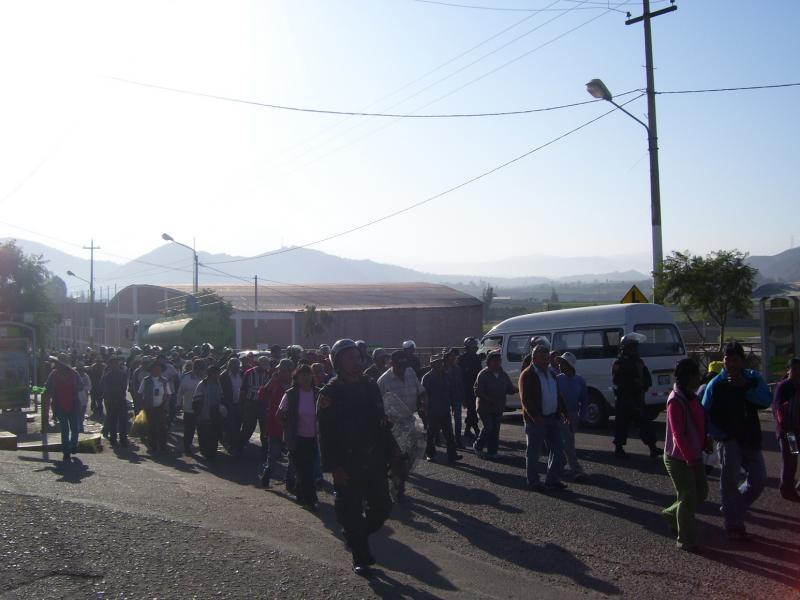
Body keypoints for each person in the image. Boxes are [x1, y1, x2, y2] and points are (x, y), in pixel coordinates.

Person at [318, 339, 393, 576]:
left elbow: (382, 422)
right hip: (347, 462)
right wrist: (334, 466)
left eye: (358, 357)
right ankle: (360, 554)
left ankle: (356, 535)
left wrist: (394, 452)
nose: (356, 362)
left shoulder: (370, 386)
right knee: (349, 511)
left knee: (382, 508)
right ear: (338, 362)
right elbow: (325, 434)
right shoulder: (330, 393)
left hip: (373, 459)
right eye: (350, 358)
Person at [702, 341, 771, 541]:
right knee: (729, 480)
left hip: (750, 438)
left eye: (734, 359)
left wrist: (745, 388)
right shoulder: (716, 383)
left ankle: (733, 507)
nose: (730, 363)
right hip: (728, 439)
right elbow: (705, 412)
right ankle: (734, 524)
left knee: (758, 479)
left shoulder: (753, 378)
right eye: (727, 359)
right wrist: (714, 435)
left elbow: (765, 401)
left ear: (742, 360)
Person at [662, 358, 708, 552]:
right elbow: (677, 434)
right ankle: (686, 540)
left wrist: (705, 441)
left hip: (694, 453)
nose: (700, 377)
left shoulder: (692, 396)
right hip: (678, 457)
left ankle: (672, 514)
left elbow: (699, 422)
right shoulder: (675, 400)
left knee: (701, 493)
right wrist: (689, 458)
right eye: (697, 374)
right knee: (688, 496)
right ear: (689, 377)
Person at [377, 350, 426, 502]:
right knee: (398, 457)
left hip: (410, 421)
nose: (402, 369)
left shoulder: (410, 372)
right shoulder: (383, 381)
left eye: (404, 366)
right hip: (393, 425)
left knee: (410, 456)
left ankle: (394, 475)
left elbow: (421, 391)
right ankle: (398, 489)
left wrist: (424, 402)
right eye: (399, 366)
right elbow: (377, 404)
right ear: (391, 364)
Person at [519, 344, 569, 491]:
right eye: (542, 358)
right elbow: (525, 399)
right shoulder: (527, 375)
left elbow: (557, 394)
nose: (546, 361)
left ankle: (552, 479)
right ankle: (533, 481)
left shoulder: (552, 373)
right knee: (533, 453)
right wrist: (535, 416)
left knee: (558, 451)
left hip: (553, 418)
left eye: (547, 358)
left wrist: (564, 412)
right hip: (536, 421)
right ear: (534, 359)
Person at [612, 333, 662, 459]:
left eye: (635, 347)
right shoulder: (619, 363)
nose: (635, 350)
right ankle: (618, 449)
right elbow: (616, 381)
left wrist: (642, 384)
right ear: (626, 348)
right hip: (624, 399)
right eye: (632, 347)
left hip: (637, 399)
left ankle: (653, 448)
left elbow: (647, 379)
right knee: (621, 425)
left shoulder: (639, 362)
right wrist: (631, 384)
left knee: (645, 424)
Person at [278, 364, 320, 510]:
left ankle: (301, 493)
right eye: (303, 375)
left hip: (314, 438)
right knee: (303, 469)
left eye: (308, 375)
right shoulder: (291, 394)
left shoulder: (318, 393)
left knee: (309, 468)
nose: (306, 378)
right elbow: (280, 414)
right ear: (296, 378)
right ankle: (311, 498)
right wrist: (289, 428)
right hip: (297, 439)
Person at [473, 350, 516, 459]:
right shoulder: (483, 374)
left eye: (499, 360)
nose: (497, 362)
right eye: (494, 360)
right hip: (484, 407)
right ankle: (478, 446)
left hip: (498, 407)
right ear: (489, 361)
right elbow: (477, 391)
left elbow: (510, 388)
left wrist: (517, 389)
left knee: (495, 430)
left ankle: (492, 452)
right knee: (488, 427)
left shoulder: (503, 374)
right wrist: (488, 399)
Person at [259, 359, 294, 487]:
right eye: (279, 370)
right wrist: (271, 381)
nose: (279, 373)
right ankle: (267, 476)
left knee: (293, 456)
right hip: (275, 426)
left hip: (290, 427)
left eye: (283, 371)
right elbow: (262, 395)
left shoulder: (295, 385)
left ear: (290, 372)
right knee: (273, 454)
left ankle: (290, 482)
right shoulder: (275, 384)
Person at [421, 354, 462, 463]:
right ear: (431, 365)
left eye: (440, 362)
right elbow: (424, 395)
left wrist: (453, 405)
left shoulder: (446, 375)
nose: (439, 364)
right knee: (431, 434)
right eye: (436, 363)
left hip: (445, 410)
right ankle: (430, 454)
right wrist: (425, 409)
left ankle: (452, 455)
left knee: (449, 434)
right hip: (432, 411)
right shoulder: (427, 378)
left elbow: (450, 392)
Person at [43, 356, 83, 462]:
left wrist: (74, 388)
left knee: (75, 428)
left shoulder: (74, 374)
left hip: (73, 404)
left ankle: (73, 446)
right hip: (59, 405)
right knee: (64, 429)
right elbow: (48, 386)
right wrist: (46, 389)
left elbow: (81, 386)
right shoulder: (54, 375)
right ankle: (66, 451)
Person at [556, 352, 587, 481]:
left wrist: (583, 415)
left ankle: (559, 467)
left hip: (573, 414)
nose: (559, 365)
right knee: (568, 442)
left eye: (562, 363)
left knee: (567, 442)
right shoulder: (557, 379)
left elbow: (584, 399)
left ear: (569, 365)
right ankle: (576, 469)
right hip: (561, 415)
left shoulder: (579, 380)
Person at [772, 357, 800, 501]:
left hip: (796, 430)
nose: (797, 372)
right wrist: (784, 427)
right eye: (794, 369)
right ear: (789, 370)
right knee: (790, 461)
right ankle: (786, 488)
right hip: (788, 432)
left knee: (793, 459)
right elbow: (777, 408)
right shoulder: (784, 386)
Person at [237, 356, 273, 458]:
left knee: (265, 428)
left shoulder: (267, 374)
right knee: (248, 427)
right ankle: (239, 447)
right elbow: (243, 389)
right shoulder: (249, 373)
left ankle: (265, 451)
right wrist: (241, 403)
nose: (265, 368)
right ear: (259, 364)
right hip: (250, 403)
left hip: (263, 404)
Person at [138, 361, 173, 455]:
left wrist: (165, 404)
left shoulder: (165, 381)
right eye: (155, 369)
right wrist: (142, 405)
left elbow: (169, 394)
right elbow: (140, 393)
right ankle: (152, 446)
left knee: (162, 428)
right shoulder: (146, 380)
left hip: (161, 407)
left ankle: (163, 446)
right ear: (151, 370)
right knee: (151, 427)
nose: (157, 371)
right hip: (149, 407)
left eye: (159, 369)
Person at [192, 364, 225, 460]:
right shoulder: (202, 384)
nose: (219, 375)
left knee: (214, 433)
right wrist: (198, 414)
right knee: (203, 434)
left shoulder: (217, 383)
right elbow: (197, 401)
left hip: (215, 412)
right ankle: (205, 452)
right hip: (204, 413)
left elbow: (221, 397)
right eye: (217, 373)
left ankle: (212, 452)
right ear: (211, 374)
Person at [179, 358, 206, 454]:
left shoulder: (205, 378)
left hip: (202, 410)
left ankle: (203, 449)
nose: (200, 370)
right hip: (188, 408)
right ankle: (187, 448)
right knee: (189, 431)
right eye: (198, 368)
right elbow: (180, 392)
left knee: (202, 431)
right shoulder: (186, 377)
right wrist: (178, 404)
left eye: (202, 368)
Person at [457, 337, 482, 439]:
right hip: (466, 387)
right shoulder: (462, 359)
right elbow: (461, 375)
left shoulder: (475, 357)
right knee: (472, 409)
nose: (475, 348)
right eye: (473, 346)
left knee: (472, 409)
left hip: (474, 386)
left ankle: (468, 430)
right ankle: (476, 430)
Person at [101, 357, 129, 448]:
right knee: (112, 420)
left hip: (120, 399)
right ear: (110, 365)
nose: (114, 365)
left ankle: (123, 439)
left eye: (115, 363)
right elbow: (105, 389)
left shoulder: (123, 375)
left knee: (123, 420)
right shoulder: (107, 376)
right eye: (112, 364)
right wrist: (115, 389)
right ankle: (113, 439)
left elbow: (124, 387)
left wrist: (114, 388)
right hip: (110, 401)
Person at [220, 357, 244, 449]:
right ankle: (228, 441)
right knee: (229, 424)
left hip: (239, 403)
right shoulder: (224, 376)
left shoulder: (241, 374)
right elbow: (220, 391)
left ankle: (235, 441)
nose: (236, 368)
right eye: (234, 366)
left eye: (237, 366)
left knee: (238, 422)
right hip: (228, 404)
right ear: (229, 366)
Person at [76, 364, 91, 433]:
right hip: (76, 398)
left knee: (82, 414)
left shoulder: (86, 377)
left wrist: (83, 388)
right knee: (77, 413)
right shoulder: (74, 377)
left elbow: (89, 386)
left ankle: (80, 427)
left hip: (84, 398)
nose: (80, 372)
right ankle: (78, 427)